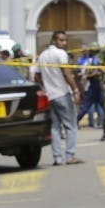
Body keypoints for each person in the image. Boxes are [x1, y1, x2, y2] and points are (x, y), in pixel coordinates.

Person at [36, 30, 82, 165]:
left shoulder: (42, 55)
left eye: (65, 40)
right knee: (71, 126)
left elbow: (37, 76)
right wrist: (75, 90)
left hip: (50, 96)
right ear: (54, 40)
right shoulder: (60, 54)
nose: (64, 43)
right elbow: (67, 73)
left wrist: (46, 86)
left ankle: (57, 158)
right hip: (62, 94)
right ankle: (70, 156)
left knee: (55, 127)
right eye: (61, 40)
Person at [76, 43, 104, 129]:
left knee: (102, 104)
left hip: (96, 84)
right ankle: (75, 121)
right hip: (94, 85)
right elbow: (96, 72)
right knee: (88, 105)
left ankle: (104, 122)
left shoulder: (93, 59)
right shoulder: (93, 60)